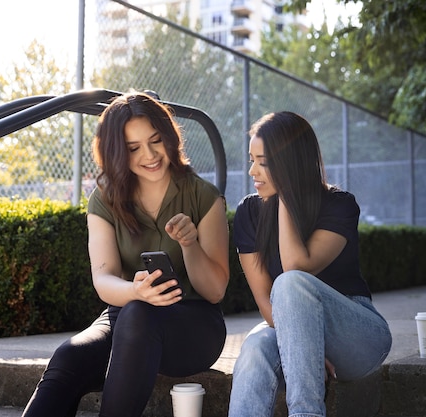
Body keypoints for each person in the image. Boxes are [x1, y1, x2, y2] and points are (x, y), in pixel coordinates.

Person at [22, 92, 229, 417]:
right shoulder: (105, 200)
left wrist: (190, 245)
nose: (149, 154)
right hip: (126, 317)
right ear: (116, 153)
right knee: (70, 356)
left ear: (170, 138)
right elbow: (104, 278)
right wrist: (135, 291)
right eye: (133, 148)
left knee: (137, 314)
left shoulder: (204, 196)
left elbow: (215, 290)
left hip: (194, 323)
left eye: (156, 140)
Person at [228, 111, 392, 417]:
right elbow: (267, 302)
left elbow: (296, 267)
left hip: (357, 336)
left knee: (290, 283)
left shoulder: (339, 204)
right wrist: (305, 348)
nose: (252, 170)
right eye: (251, 159)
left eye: (263, 162)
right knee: (253, 349)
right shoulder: (249, 212)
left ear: (290, 164)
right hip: (287, 327)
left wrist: (286, 195)